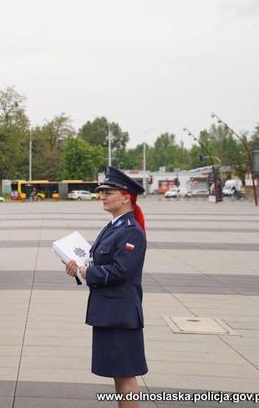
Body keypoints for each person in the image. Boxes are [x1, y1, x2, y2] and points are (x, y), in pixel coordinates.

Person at [65, 166, 148, 408]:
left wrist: (87, 271)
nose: (102, 196)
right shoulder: (113, 226)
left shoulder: (132, 231)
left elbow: (121, 271)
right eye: (102, 191)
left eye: (109, 191)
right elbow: (97, 262)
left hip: (120, 315)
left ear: (126, 197)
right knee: (118, 374)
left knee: (125, 376)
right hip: (109, 313)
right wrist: (78, 269)